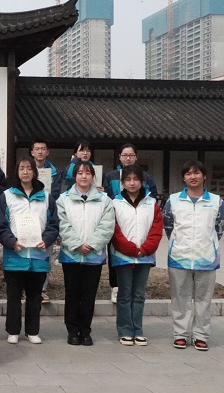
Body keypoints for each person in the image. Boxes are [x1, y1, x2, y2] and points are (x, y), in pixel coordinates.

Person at [0, 155, 59, 345]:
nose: (25, 172)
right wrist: (12, 242)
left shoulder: (46, 197)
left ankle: (32, 331)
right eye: (21, 168)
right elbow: (1, 225)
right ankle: (13, 330)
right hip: (15, 255)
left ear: (34, 172)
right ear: (17, 172)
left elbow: (53, 225)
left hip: (39, 256)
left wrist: (46, 240)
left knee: (35, 297)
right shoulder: (7, 196)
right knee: (14, 296)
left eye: (29, 168)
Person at [163, 160, 224, 351]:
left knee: (203, 299)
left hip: (206, 258)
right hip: (179, 257)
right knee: (180, 298)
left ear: (204, 176)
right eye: (188, 174)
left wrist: (208, 245)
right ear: (183, 178)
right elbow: (168, 226)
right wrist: (180, 243)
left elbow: (219, 228)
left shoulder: (216, 201)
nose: (193, 177)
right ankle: (180, 334)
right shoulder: (173, 200)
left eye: (197, 173)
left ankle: (200, 336)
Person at [57, 161, 115, 346]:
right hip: (71, 255)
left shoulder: (104, 199)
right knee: (72, 294)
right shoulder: (63, 199)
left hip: (94, 256)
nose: (84, 176)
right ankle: (72, 331)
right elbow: (62, 224)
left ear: (93, 177)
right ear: (74, 176)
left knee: (89, 296)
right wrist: (76, 244)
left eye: (88, 173)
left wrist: (91, 244)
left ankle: (85, 330)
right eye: (80, 173)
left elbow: (107, 226)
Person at [110, 164, 163, 346]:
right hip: (122, 256)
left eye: (136, 179)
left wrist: (145, 249)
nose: (132, 183)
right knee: (124, 294)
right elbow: (114, 231)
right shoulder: (115, 203)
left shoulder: (151, 203)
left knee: (139, 294)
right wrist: (131, 249)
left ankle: (138, 330)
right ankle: (125, 330)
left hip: (145, 256)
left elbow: (156, 230)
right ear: (122, 182)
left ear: (142, 181)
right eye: (128, 179)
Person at [102, 143, 159, 304]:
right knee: (114, 253)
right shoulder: (111, 176)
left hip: (138, 217)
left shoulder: (145, 177)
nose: (128, 158)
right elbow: (105, 196)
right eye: (125, 155)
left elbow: (153, 194)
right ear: (119, 157)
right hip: (117, 217)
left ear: (136, 157)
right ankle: (115, 287)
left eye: (131, 155)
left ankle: (136, 287)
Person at [30, 139, 61, 303]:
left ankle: (43, 289)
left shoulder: (54, 173)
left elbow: (55, 194)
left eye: (43, 149)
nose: (40, 152)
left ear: (47, 152)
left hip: (46, 211)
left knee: (45, 253)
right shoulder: (27, 169)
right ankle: (28, 289)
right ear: (32, 152)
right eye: (37, 149)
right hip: (28, 214)